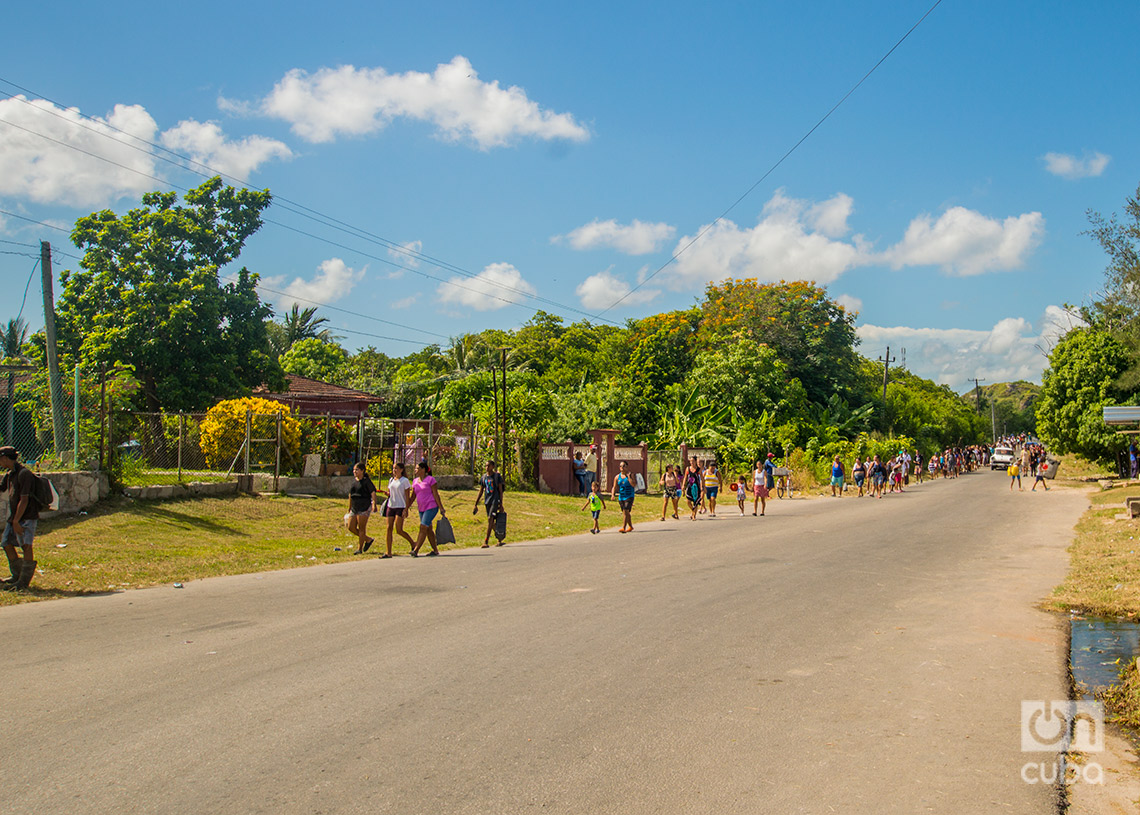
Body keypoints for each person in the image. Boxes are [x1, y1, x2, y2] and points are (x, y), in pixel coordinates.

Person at [0, 446, 38, 591]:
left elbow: (24, 499)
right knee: (6, 544)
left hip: (26, 516)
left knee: (26, 546)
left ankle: (23, 583)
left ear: (4, 458)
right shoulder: (10, 473)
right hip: (14, 516)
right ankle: (17, 575)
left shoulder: (24, 474)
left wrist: (17, 521)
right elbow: (2, 488)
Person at [409, 461, 446, 556]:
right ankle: (435, 550)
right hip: (421, 508)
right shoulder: (415, 481)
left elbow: (435, 494)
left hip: (431, 506)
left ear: (423, 470)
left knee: (423, 526)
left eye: (417, 468)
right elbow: (413, 496)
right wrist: (406, 507)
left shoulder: (430, 480)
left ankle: (416, 550)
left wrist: (441, 508)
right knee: (428, 529)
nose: (415, 470)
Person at [379, 462, 415, 557]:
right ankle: (388, 551)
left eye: (396, 468)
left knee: (399, 529)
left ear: (401, 470)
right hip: (391, 506)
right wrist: (387, 493)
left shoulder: (405, 481)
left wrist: (406, 509)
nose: (394, 470)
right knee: (388, 528)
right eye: (393, 468)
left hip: (400, 506)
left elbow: (407, 496)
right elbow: (391, 493)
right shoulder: (391, 480)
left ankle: (412, 543)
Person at [347, 462, 378, 555]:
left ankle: (359, 548)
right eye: (354, 470)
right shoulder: (354, 482)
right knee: (351, 527)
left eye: (357, 470)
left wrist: (374, 504)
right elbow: (350, 495)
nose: (354, 471)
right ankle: (368, 539)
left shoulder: (366, 481)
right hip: (355, 507)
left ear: (362, 471)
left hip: (364, 506)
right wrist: (349, 507)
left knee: (361, 528)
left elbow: (373, 493)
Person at [473, 460, 506, 547]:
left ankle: (486, 541)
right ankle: (500, 537)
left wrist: (501, 503)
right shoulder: (484, 478)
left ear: (493, 467)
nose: (487, 468)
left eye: (488, 466)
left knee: (490, 519)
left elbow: (500, 491)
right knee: (490, 520)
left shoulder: (496, 477)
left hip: (495, 501)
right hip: (487, 501)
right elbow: (481, 491)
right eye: (486, 466)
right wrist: (476, 503)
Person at [610, 460, 636, 533]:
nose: (622, 468)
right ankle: (630, 526)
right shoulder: (617, 477)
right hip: (621, 496)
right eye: (620, 466)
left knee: (625, 511)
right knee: (626, 512)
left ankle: (623, 528)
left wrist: (629, 477)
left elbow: (633, 484)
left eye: (624, 466)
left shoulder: (631, 475)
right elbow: (614, 487)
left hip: (629, 496)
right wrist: (612, 495)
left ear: (627, 467)